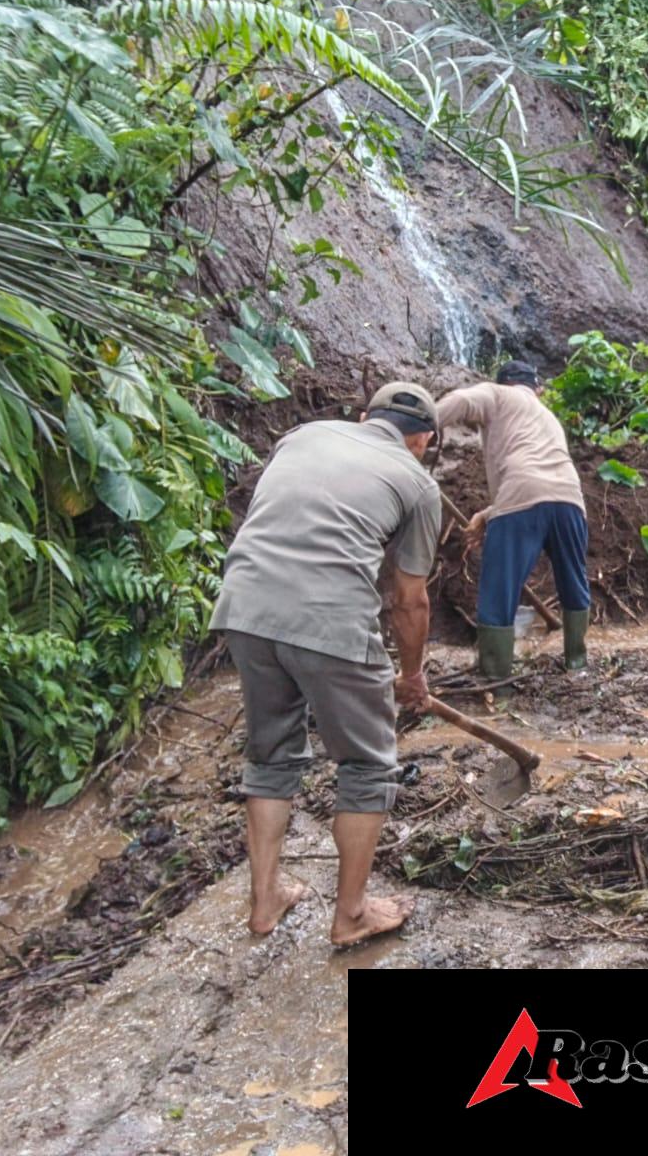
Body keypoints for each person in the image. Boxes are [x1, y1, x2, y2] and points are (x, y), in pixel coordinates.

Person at [211, 382, 441, 946]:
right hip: (329, 618)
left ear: (365, 417)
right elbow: (410, 598)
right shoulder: (417, 482)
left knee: (270, 755)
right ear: (424, 441)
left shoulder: (304, 435)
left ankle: (266, 902)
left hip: (244, 604)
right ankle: (353, 914)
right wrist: (410, 676)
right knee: (366, 764)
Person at [437, 360, 590, 681]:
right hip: (570, 499)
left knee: (499, 590)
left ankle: (497, 683)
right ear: (536, 389)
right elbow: (543, 481)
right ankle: (577, 664)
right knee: (573, 583)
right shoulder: (546, 416)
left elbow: (462, 402)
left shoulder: (496, 394)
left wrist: (420, 424)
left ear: (503, 382)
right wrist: (488, 514)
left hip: (522, 496)